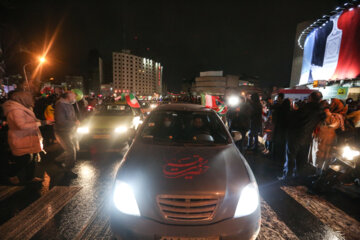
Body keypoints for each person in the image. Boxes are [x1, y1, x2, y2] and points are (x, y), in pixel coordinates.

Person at [2, 91, 53, 184]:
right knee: (24, 159)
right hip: (20, 138)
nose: (32, 100)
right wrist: (42, 123)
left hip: (29, 136)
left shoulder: (24, 108)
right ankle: (10, 174)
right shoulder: (16, 110)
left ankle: (30, 177)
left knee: (33, 157)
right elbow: (21, 126)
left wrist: (43, 121)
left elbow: (31, 121)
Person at [279, 91, 325, 180]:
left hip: (295, 136)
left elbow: (292, 119)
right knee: (301, 159)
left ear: (310, 98)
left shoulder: (305, 108)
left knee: (291, 157)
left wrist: (291, 110)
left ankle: (287, 176)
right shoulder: (320, 110)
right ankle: (298, 177)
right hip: (307, 137)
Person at [54, 91, 79, 178]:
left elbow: (73, 116)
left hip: (69, 130)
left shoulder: (69, 104)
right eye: (73, 96)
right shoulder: (60, 105)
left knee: (71, 148)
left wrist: (76, 122)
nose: (75, 98)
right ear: (68, 97)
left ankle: (58, 160)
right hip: (62, 131)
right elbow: (60, 121)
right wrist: (74, 123)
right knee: (71, 150)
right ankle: (67, 170)